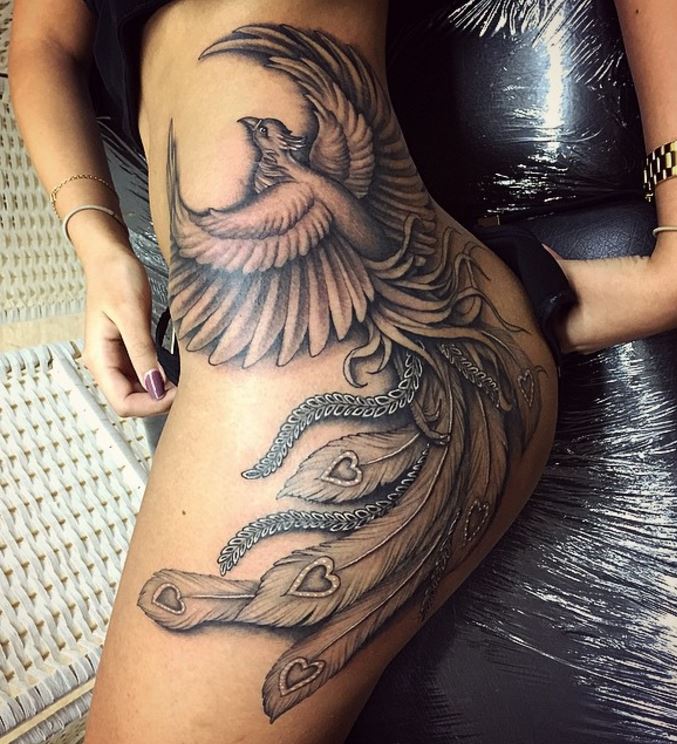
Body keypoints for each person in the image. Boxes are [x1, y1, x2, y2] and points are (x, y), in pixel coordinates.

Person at [7, 2, 676, 742]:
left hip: (306, 368)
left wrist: (671, 260)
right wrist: (99, 247)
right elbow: (41, 45)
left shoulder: (300, 192)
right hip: (277, 354)